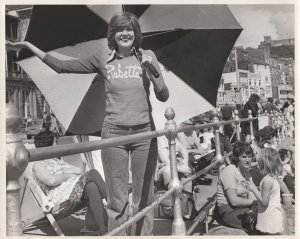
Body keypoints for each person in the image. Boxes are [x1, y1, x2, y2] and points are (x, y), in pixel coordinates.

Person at [7, 12, 169, 236]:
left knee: (144, 197)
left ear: (136, 33)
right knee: (117, 201)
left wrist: (153, 73)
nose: (125, 33)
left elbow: (163, 96)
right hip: (114, 135)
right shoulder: (103, 57)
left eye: (129, 29)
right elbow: (62, 66)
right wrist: (29, 46)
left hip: (144, 134)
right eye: (120, 29)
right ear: (113, 34)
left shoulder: (147, 56)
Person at [32, 131, 108, 235]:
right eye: (55, 142)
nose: (57, 144)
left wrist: (62, 172)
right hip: (58, 194)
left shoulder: (57, 160)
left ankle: (102, 229)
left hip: (70, 188)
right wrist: (68, 174)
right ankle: (115, 209)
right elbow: (52, 180)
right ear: (48, 145)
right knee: (93, 173)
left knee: (92, 187)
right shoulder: (38, 165)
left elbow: (78, 170)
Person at [216, 141, 257, 234]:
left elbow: (252, 192)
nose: (248, 160)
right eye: (244, 157)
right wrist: (255, 202)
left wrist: (253, 209)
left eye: (250, 156)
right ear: (236, 158)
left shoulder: (246, 171)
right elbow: (234, 201)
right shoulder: (230, 171)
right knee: (259, 223)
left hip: (244, 206)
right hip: (228, 210)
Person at [245, 148, 284, 235]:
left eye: (259, 160)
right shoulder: (272, 177)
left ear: (264, 163)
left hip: (269, 219)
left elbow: (264, 202)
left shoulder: (267, 181)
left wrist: (254, 189)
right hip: (273, 216)